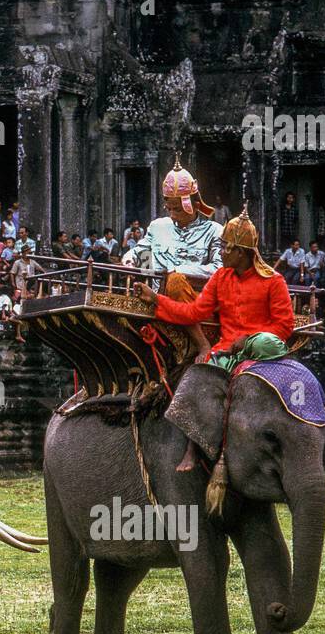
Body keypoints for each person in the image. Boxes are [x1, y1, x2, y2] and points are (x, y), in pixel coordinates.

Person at [135, 205, 294, 474]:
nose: (221, 253)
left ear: (242, 253)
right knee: (196, 379)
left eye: (225, 248)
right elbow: (194, 312)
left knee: (267, 343)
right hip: (225, 352)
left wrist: (248, 341)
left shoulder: (273, 280)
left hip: (260, 347)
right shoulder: (221, 277)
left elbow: (284, 326)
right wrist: (157, 300)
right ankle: (192, 447)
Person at [123, 157, 224, 356]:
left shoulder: (214, 231)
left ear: (194, 204)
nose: (172, 214)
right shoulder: (158, 226)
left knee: (176, 281)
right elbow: (142, 252)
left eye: (177, 209)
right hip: (154, 299)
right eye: (169, 209)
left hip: (196, 304)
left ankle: (201, 343)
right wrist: (129, 259)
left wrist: (178, 271)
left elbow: (219, 270)